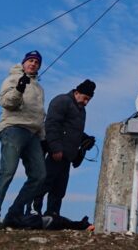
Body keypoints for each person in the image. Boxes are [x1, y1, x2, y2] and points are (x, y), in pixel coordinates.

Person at [0, 50, 47, 229]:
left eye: (36, 62)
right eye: (30, 60)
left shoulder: (39, 88)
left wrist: (42, 138)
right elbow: (6, 103)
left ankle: (14, 215)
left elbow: (40, 114)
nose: (33, 64)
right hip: (13, 128)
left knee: (39, 175)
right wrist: (19, 89)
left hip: (33, 133)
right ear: (24, 63)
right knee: (7, 172)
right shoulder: (12, 79)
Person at [32, 79, 96, 217]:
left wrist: (85, 139)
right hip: (55, 152)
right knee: (44, 182)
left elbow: (73, 131)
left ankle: (52, 214)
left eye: (89, 100)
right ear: (77, 92)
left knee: (59, 188)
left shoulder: (81, 110)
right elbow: (51, 125)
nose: (86, 102)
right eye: (85, 98)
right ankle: (34, 211)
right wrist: (55, 148)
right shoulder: (62, 101)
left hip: (68, 155)